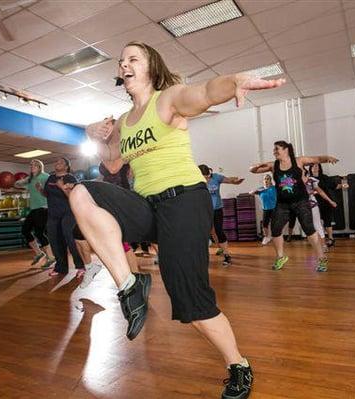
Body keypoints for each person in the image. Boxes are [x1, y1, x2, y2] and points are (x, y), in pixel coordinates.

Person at [69, 41, 285, 399]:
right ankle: (129, 286)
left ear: (151, 67)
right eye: (121, 61)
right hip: (147, 204)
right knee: (81, 192)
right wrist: (94, 136)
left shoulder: (167, 100)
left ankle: (238, 364)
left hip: (184, 201)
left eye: (133, 59)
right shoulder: (124, 122)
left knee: (191, 302)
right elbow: (111, 161)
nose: (124, 64)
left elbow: (202, 93)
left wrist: (233, 81)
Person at [250, 141, 338, 272]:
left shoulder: (299, 161)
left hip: (301, 201)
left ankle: (321, 258)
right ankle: (280, 257)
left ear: (286, 150)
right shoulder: (273, 165)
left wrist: (327, 158)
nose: (274, 151)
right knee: (275, 229)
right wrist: (257, 166)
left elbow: (317, 159)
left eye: (277, 149)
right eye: (274, 149)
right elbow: (252, 171)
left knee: (309, 229)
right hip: (282, 203)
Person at [43, 157, 85, 278]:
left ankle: (80, 266)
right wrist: (41, 190)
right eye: (56, 161)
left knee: (69, 237)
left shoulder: (70, 178)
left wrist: (62, 187)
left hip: (68, 212)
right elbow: (47, 194)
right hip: (53, 213)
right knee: (54, 240)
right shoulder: (50, 178)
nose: (57, 163)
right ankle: (61, 267)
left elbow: (73, 196)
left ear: (66, 166)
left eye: (61, 162)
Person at [199, 164, 244, 266]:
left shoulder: (216, 177)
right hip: (205, 210)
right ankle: (219, 247)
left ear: (208, 174)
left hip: (217, 209)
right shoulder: (197, 181)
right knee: (210, 231)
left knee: (219, 230)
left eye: (206, 177)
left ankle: (227, 255)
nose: (205, 179)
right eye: (203, 178)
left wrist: (235, 181)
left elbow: (228, 180)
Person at [14, 159, 55, 269]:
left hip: (43, 208)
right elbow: (16, 184)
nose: (32, 166)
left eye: (35, 165)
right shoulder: (30, 179)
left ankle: (51, 258)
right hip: (33, 209)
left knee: (39, 233)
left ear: (40, 166)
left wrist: (41, 189)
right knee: (25, 230)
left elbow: (50, 193)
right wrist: (22, 181)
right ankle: (39, 253)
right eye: (31, 165)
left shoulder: (45, 177)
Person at [308, 163, 348, 247]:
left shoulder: (324, 177)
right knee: (316, 222)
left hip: (325, 202)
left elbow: (335, 186)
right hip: (314, 203)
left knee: (327, 220)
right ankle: (319, 240)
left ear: (319, 168)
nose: (315, 168)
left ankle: (331, 238)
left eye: (317, 166)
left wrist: (343, 185)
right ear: (310, 168)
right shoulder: (308, 179)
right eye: (313, 166)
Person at [250, 174, 276, 245]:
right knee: (264, 225)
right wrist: (259, 189)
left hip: (274, 209)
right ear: (263, 181)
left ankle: (275, 237)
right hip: (266, 209)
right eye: (265, 179)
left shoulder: (274, 188)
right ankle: (267, 237)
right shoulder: (261, 190)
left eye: (268, 179)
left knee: (275, 225)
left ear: (270, 181)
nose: (266, 180)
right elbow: (251, 193)